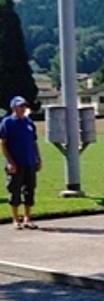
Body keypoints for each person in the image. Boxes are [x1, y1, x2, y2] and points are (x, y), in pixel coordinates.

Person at [1, 96, 42, 230]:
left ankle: (28, 218)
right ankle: (15, 218)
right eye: (20, 106)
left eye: (24, 106)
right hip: (16, 163)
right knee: (15, 190)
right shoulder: (7, 123)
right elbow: (3, 144)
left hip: (29, 161)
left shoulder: (29, 123)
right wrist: (10, 162)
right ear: (13, 107)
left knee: (29, 190)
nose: (23, 109)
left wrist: (38, 158)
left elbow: (34, 142)